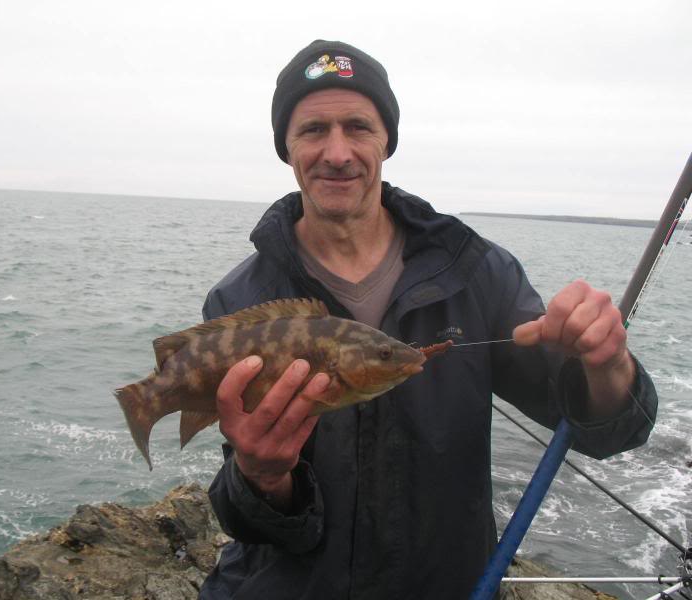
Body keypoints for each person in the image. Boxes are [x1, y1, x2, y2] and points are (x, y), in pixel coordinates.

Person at [197, 40, 657, 600]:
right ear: (286, 147)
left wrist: (608, 364)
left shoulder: (476, 270)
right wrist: (263, 479)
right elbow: (243, 518)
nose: (337, 152)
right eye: (314, 130)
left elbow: (601, 428)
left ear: (387, 139)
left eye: (358, 127)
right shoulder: (240, 300)